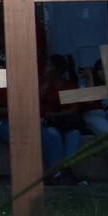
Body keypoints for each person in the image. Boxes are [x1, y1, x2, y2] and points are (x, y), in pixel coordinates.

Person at [39, 54, 84, 183]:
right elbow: (37, 100)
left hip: (66, 121)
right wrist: (48, 80)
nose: (47, 68)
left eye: (50, 66)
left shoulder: (69, 86)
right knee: (53, 135)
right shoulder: (45, 85)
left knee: (74, 134)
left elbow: (74, 109)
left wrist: (57, 115)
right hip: (48, 122)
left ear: (59, 70)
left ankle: (67, 168)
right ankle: (56, 171)